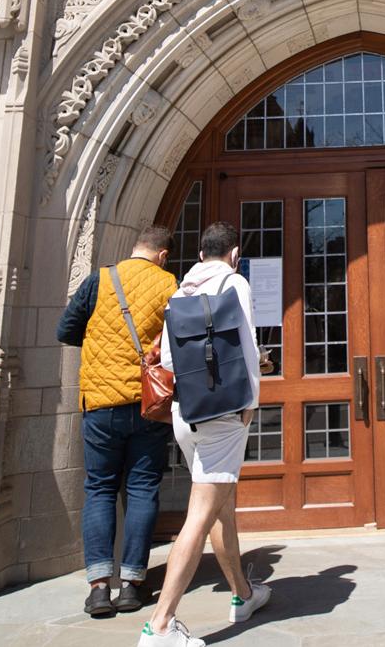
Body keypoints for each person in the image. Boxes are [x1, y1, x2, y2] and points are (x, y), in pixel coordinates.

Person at [140, 222, 271, 647]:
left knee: (220, 504)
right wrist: (250, 401)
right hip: (223, 415)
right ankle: (160, 625)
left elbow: (170, 357)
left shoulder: (180, 291)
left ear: (200, 255)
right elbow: (248, 348)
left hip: (186, 411)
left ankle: (243, 594)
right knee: (200, 514)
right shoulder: (235, 284)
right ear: (234, 254)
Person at [56, 226, 179, 617]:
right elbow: (179, 340)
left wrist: (101, 347)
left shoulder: (101, 279)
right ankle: (131, 584)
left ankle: (97, 587)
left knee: (100, 488)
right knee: (142, 488)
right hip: (147, 402)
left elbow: (66, 329)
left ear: (135, 249)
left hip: (101, 402)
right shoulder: (167, 283)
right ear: (162, 255)